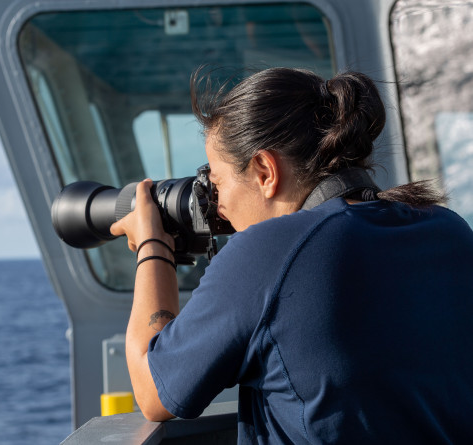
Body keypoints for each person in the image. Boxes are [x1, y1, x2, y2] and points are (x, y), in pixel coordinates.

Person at [110, 67, 473, 444]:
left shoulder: (268, 251)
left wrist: (153, 245)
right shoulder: (447, 230)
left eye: (217, 184)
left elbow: (154, 392)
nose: (218, 208)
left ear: (265, 171)